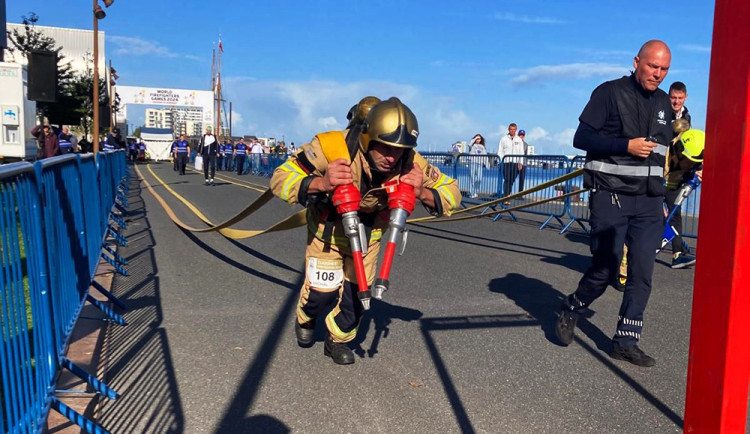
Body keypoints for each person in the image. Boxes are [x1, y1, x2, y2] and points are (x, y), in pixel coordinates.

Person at [270, 97, 460, 365]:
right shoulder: (331, 146)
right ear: (367, 137)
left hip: (369, 237)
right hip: (328, 233)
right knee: (319, 294)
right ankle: (306, 316)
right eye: (384, 147)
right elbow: (281, 177)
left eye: (399, 149)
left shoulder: (410, 161)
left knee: (357, 298)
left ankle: (337, 340)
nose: (391, 157)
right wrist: (321, 183)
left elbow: (452, 191)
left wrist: (422, 192)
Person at [555, 40, 673, 367]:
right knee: (605, 268)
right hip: (611, 195)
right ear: (637, 61)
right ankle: (572, 307)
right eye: (652, 67)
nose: (658, 75)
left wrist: (662, 198)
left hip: (649, 202)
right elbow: (581, 139)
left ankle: (625, 341)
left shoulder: (664, 103)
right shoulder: (608, 92)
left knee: (642, 272)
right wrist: (626, 145)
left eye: (664, 69)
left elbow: (660, 157)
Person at [665, 81, 696, 268]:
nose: (676, 101)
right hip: (657, 169)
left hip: (676, 172)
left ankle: (677, 253)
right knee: (653, 212)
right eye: (673, 98)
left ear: (685, 97)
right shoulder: (661, 112)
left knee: (674, 212)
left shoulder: (687, 116)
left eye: (679, 98)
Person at [497, 123, 525, 203]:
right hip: (506, 162)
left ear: (516, 130)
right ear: (508, 130)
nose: (512, 131)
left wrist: (521, 162)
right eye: (511, 129)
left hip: (515, 163)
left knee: (511, 180)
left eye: (514, 129)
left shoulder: (519, 140)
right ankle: (506, 197)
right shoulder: (504, 139)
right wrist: (501, 161)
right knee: (506, 180)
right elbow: (500, 151)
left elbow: (521, 152)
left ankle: (507, 195)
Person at [468, 134, 487, 198]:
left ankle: (476, 191)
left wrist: (487, 164)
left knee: (479, 178)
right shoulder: (472, 146)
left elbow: (485, 155)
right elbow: (469, 144)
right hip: (473, 163)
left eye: (479, 139)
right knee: (472, 178)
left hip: (479, 163)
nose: (478, 140)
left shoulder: (482, 147)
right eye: (477, 139)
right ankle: (471, 193)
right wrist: (474, 139)